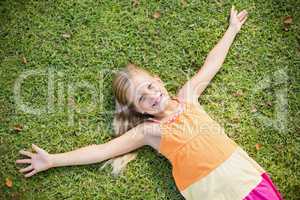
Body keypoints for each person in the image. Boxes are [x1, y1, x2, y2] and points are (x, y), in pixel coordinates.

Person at [16, 6, 282, 200]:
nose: (152, 96)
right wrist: (53, 160)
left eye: (151, 88)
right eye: (142, 98)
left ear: (159, 81)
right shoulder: (149, 132)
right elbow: (101, 150)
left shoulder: (188, 97)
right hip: (209, 191)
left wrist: (232, 29)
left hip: (243, 176)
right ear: (138, 110)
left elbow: (211, 65)